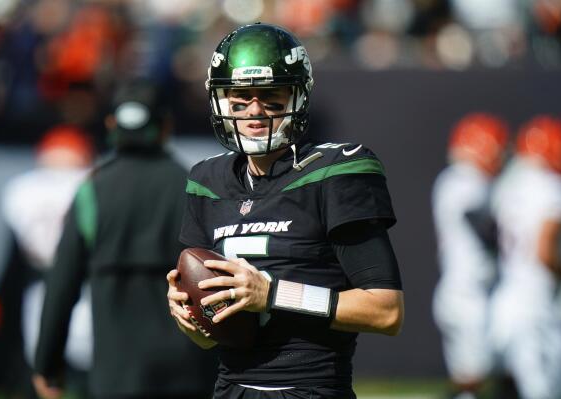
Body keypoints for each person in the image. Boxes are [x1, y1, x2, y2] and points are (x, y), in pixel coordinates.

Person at [166, 23, 404, 399]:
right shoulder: (207, 180)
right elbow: (208, 340)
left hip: (310, 389)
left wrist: (274, 293)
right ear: (220, 101)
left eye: (272, 96)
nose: (255, 111)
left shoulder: (334, 172)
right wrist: (190, 317)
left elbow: (386, 312)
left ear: (298, 97)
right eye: (240, 98)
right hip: (231, 389)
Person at [33, 81, 218, 399]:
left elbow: (61, 285)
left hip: (116, 376)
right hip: (190, 371)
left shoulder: (92, 192)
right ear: (166, 125)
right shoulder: (192, 188)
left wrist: (47, 365)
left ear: (110, 125)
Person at [0, 125, 95, 398]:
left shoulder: (22, 188)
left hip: (43, 282)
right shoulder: (92, 181)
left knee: (43, 366)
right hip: (86, 282)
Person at [489, 115, 561, 399]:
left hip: (507, 298)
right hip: (537, 304)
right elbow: (544, 251)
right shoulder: (553, 188)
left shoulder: (511, 184)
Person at [431, 113, 509, 399]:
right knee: (480, 378)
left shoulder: (457, 179)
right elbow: (480, 223)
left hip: (465, 289)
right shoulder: (463, 178)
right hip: (469, 293)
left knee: (475, 378)